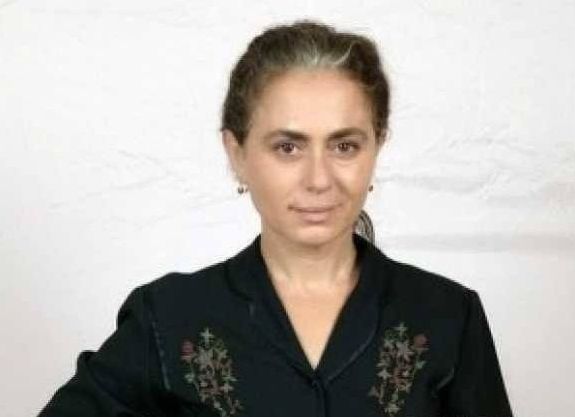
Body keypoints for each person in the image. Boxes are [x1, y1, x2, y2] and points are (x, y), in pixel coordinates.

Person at [37, 19, 514, 417]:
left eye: (345, 146)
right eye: (288, 147)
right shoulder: (169, 317)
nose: (319, 179)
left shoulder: (448, 315)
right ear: (237, 153)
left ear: (377, 147)